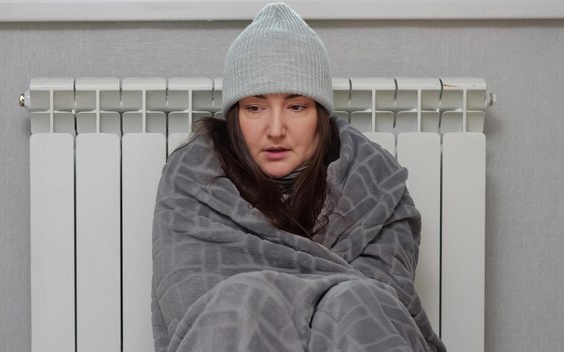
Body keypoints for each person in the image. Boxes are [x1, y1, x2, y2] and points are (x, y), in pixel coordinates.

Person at [151, 2, 446, 351]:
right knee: (243, 300)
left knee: (358, 302)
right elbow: (192, 302)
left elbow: (386, 304)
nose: (276, 130)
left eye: (296, 107)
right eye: (255, 107)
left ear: (319, 114)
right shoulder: (193, 180)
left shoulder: (376, 184)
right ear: (235, 116)